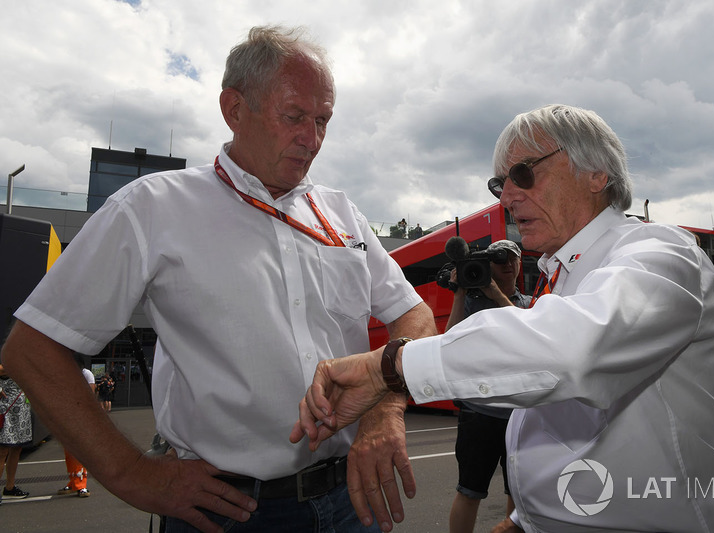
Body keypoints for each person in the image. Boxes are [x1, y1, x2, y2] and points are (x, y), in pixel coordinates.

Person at [1, 25, 436, 533]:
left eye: (322, 120)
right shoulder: (151, 208)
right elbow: (32, 350)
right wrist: (131, 473)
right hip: (226, 512)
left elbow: (415, 314)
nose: (312, 139)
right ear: (233, 109)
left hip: (349, 500)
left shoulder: (341, 214)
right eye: (294, 116)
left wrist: (387, 406)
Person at [293, 104, 714, 532]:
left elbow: (576, 351)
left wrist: (388, 367)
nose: (507, 196)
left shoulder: (662, 251)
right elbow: (545, 394)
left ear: (596, 174)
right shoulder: (565, 274)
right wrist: (526, 517)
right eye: (499, 184)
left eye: (523, 174)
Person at [445, 240, 530, 533]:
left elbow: (527, 334)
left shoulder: (529, 304)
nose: (507, 263)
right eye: (499, 258)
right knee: (469, 490)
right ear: (487, 265)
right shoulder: (470, 305)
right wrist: (459, 295)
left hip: (518, 415)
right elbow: (450, 342)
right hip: (478, 412)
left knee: (516, 492)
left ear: (520, 264)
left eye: (512, 258)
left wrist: (494, 293)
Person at [57, 355, 96, 498]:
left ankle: (81, 485)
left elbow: (90, 395)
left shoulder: (86, 374)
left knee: (79, 451)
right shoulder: (65, 374)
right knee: (69, 452)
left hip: (81, 416)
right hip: (67, 415)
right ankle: (74, 482)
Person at [0, 363, 31, 504]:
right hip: (5, 410)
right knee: (2, 451)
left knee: (16, 448)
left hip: (21, 412)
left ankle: (10, 487)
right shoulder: (11, 359)